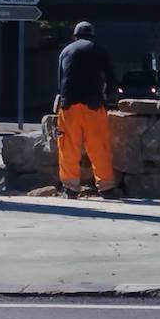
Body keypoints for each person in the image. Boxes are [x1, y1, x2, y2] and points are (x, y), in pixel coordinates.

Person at [56, 21, 120, 199]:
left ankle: (70, 188)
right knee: (99, 146)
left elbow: (60, 81)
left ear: (75, 36)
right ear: (92, 35)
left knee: (68, 146)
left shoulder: (65, 51)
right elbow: (110, 77)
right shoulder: (98, 49)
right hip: (93, 104)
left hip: (69, 105)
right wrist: (110, 97)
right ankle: (106, 188)